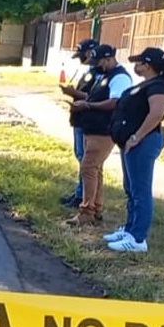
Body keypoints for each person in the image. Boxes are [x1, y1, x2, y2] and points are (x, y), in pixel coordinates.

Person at [104, 47, 164, 253]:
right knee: (131, 188)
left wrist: (136, 137)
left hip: (144, 142)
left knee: (141, 190)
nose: (136, 65)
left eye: (140, 62)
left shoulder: (159, 86)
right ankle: (130, 228)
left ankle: (137, 238)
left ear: (148, 65)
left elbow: (156, 113)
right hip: (132, 141)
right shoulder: (146, 84)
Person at [66, 44, 132, 226]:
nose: (97, 66)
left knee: (88, 167)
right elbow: (94, 97)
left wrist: (87, 106)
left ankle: (86, 211)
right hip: (92, 128)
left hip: (104, 130)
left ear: (109, 58)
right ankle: (96, 208)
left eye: (100, 62)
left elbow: (114, 102)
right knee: (95, 169)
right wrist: (78, 98)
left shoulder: (119, 78)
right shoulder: (104, 74)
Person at [58, 38, 101, 208]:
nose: (81, 59)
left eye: (82, 55)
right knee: (80, 157)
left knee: (86, 161)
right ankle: (79, 193)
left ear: (91, 51)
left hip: (88, 121)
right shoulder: (89, 70)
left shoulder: (99, 73)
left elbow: (95, 97)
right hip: (79, 119)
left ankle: (83, 198)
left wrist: (72, 92)